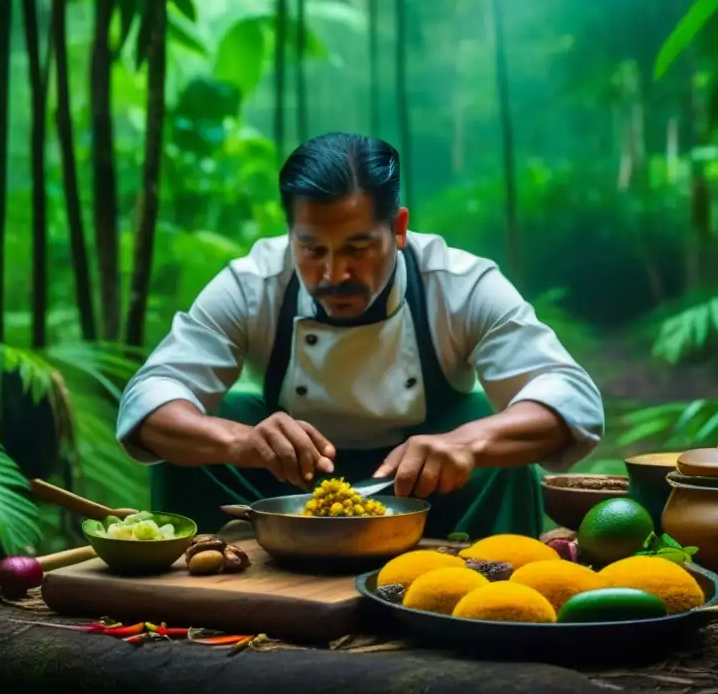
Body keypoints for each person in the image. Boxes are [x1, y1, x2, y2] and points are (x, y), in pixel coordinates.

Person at [116, 132, 605, 539]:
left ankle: (487, 611)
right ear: (290, 235)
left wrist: (468, 444)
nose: (334, 273)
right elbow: (150, 400)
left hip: (431, 487)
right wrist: (241, 441)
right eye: (311, 248)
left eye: (358, 247)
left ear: (398, 228)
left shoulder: (458, 284)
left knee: (502, 450)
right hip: (282, 483)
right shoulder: (252, 284)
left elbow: (572, 398)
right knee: (201, 434)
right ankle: (208, 598)